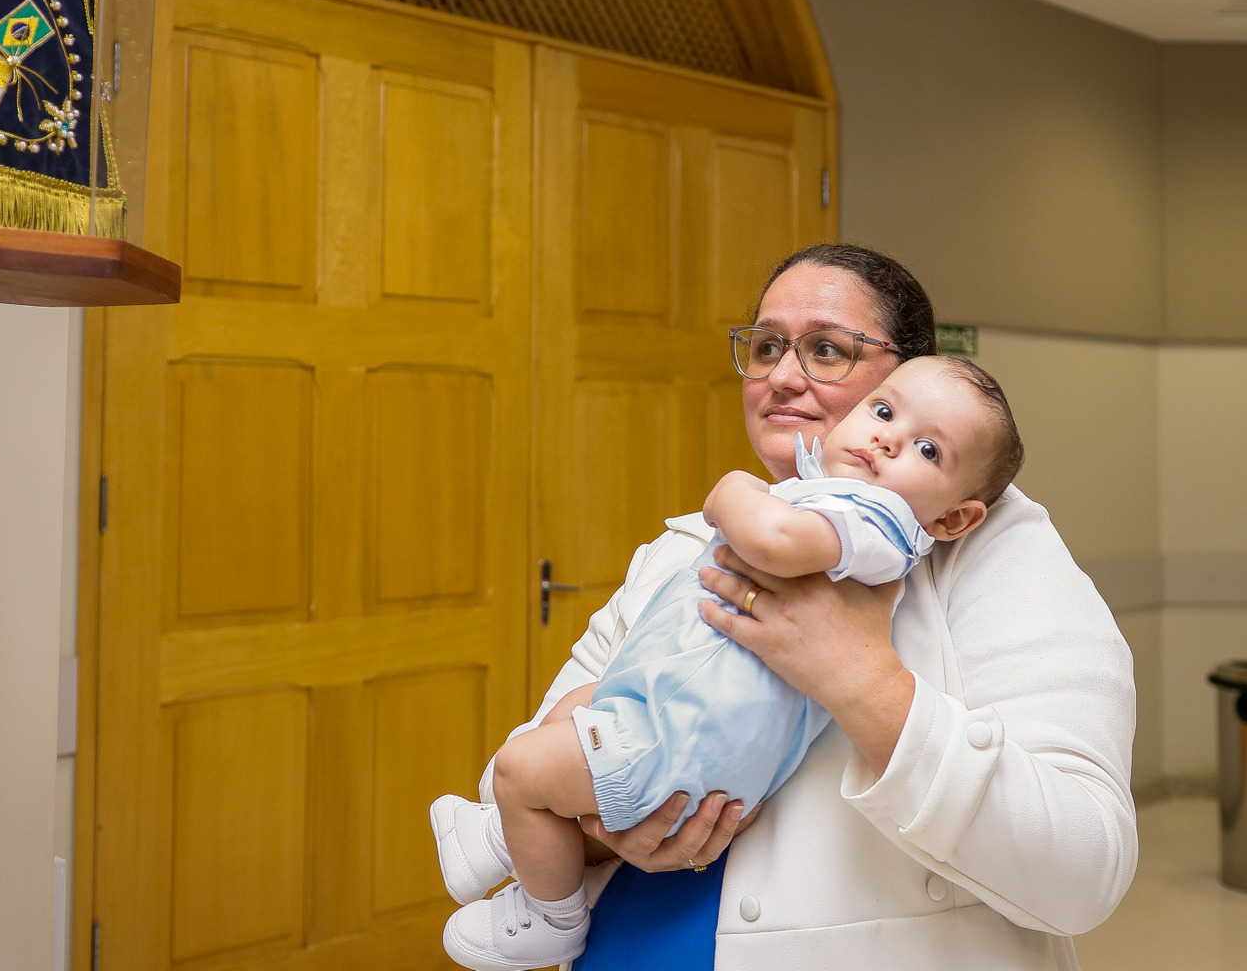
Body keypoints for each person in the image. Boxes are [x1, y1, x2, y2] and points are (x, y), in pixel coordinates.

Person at [462, 243, 1137, 969]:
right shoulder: (684, 549)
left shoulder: (996, 553)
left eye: (827, 350)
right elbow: (518, 775)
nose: (783, 376)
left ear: (914, 374)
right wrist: (609, 830)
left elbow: (1086, 871)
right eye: (767, 347)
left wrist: (858, 677)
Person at [433, 353, 1026, 970]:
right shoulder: (821, 494)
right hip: (673, 715)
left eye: (928, 450)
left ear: (954, 517)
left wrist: (731, 491)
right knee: (571, 712)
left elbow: (774, 540)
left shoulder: (877, 516)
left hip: (685, 738)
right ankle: (504, 838)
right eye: (882, 412)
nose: (887, 438)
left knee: (520, 769)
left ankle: (551, 918)